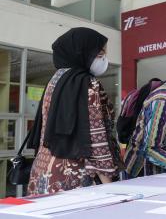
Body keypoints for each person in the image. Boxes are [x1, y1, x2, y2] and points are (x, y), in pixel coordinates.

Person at [27, 27, 123, 196]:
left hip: (43, 174)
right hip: (75, 180)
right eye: (100, 53)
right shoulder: (88, 85)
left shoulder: (55, 80)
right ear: (82, 52)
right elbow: (96, 139)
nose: (103, 59)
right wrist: (111, 187)